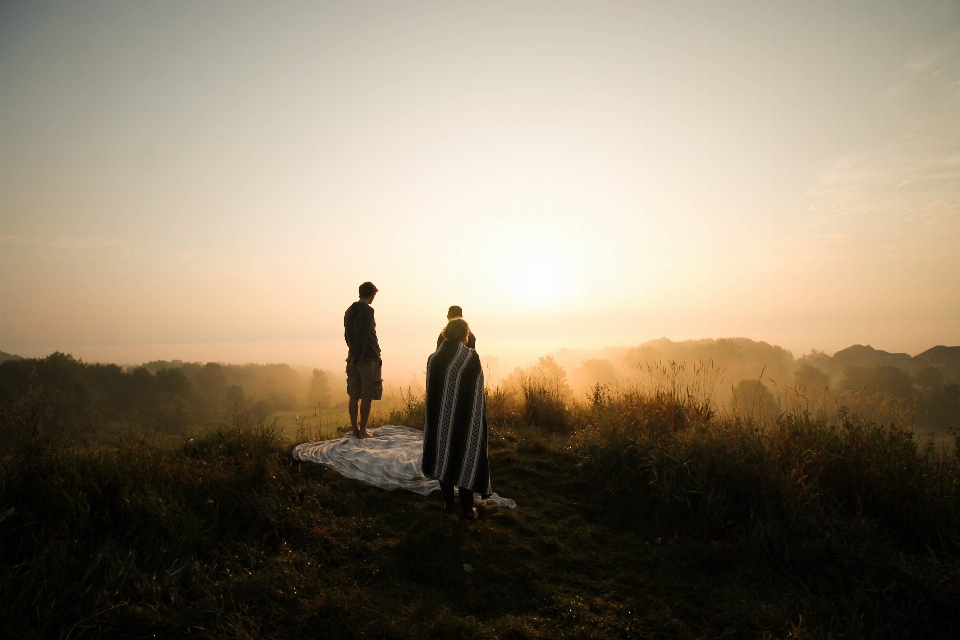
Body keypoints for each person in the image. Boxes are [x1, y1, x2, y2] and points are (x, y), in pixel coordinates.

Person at [422, 317, 490, 520]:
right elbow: (476, 393)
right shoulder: (471, 357)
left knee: (443, 458)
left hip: (438, 422)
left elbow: (433, 392)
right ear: (464, 335)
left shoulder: (433, 358)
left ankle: (449, 505)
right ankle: (468, 509)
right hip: (464, 420)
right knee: (465, 457)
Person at [344, 281, 382, 439]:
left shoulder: (349, 310)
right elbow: (363, 335)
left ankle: (355, 429)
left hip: (352, 356)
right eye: (374, 295)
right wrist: (356, 359)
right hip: (367, 358)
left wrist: (351, 357)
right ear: (371, 293)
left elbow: (348, 335)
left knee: (354, 395)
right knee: (367, 395)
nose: (374, 298)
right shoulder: (367, 310)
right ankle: (363, 431)